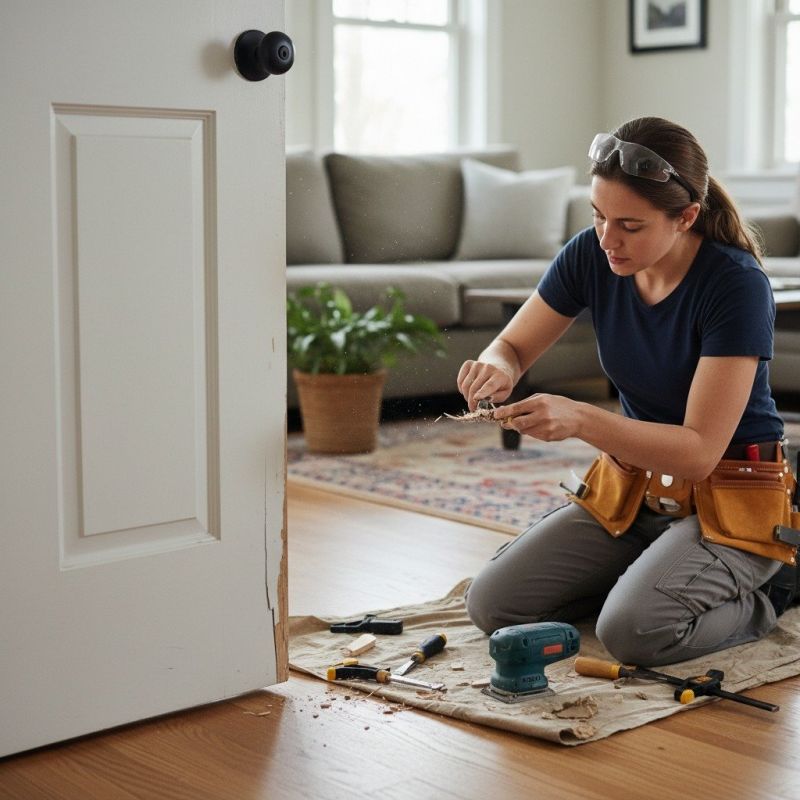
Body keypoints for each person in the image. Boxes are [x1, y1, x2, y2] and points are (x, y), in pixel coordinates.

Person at [457, 116, 798, 667]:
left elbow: (698, 451)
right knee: (493, 604)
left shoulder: (735, 284)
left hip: (731, 495)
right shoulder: (590, 255)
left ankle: (771, 592)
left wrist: (580, 419)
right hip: (634, 491)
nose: (607, 239)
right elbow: (512, 346)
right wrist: (496, 367)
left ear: (686, 217)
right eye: (598, 216)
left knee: (632, 632)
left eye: (630, 226)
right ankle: (649, 578)